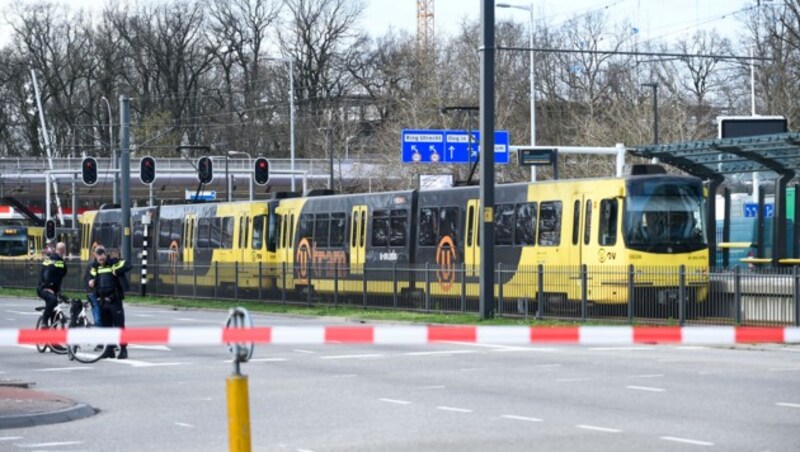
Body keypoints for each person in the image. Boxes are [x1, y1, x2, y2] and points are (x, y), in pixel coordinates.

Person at [87, 246, 132, 359]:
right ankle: (109, 350)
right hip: (102, 300)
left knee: (119, 325)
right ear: (96, 257)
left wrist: (116, 270)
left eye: (103, 259)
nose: (101, 261)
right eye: (99, 259)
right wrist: (90, 281)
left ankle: (123, 350)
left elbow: (128, 265)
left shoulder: (113, 263)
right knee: (106, 327)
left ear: (106, 256)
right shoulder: (95, 267)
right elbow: (90, 277)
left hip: (114, 300)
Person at [36, 242, 79, 327]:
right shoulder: (54, 260)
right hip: (45, 288)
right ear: (63, 250)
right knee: (52, 301)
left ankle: (53, 333)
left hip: (52, 289)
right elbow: (47, 275)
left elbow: (59, 276)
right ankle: (44, 322)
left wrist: (58, 291)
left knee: (55, 311)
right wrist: (48, 287)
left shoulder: (58, 261)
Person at [83, 245, 104, 326]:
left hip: (100, 291)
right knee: (96, 306)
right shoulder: (91, 264)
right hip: (93, 291)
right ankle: (98, 325)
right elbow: (87, 277)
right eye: (99, 253)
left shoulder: (105, 263)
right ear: (95, 255)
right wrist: (90, 282)